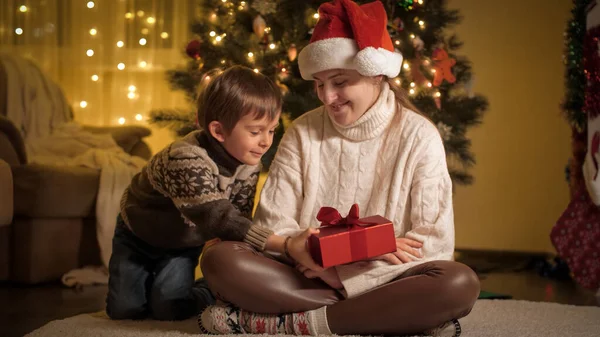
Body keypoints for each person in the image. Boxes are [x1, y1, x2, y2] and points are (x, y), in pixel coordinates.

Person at [198, 0, 481, 336]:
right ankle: (389, 319)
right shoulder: (303, 131)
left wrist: (345, 275)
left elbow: (433, 244)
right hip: (306, 274)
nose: (327, 97)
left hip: (384, 280)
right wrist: (314, 258)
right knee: (221, 259)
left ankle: (290, 324)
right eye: (319, 83)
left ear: (376, 74)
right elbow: (273, 221)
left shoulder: (420, 136)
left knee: (458, 283)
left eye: (340, 81)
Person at [105, 66, 283, 321]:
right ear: (218, 131)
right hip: (138, 233)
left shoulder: (249, 164)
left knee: (170, 308)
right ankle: (144, 287)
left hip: (183, 240)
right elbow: (217, 216)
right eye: (255, 132)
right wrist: (280, 245)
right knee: (125, 310)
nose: (266, 141)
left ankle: (208, 291)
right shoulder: (185, 157)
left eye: (272, 130)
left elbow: (239, 213)